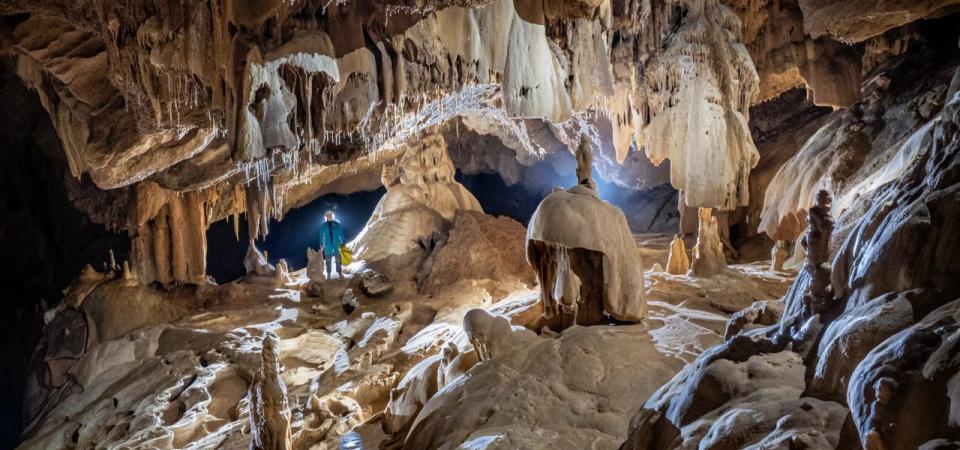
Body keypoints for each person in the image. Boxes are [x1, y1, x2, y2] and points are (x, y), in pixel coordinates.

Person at [318, 210, 346, 279]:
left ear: (332, 215)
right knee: (328, 259)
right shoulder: (323, 225)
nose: (329, 216)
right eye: (328, 215)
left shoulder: (337, 224)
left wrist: (343, 242)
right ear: (326, 217)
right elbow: (321, 235)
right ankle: (329, 273)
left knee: (338, 258)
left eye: (330, 215)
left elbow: (341, 233)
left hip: (336, 243)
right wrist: (321, 244)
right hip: (328, 244)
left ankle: (339, 272)